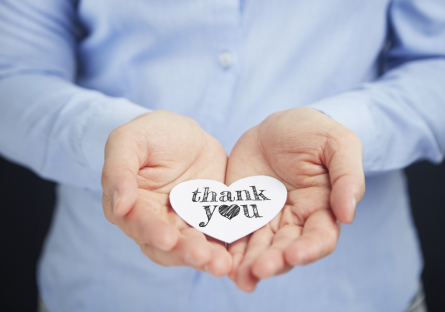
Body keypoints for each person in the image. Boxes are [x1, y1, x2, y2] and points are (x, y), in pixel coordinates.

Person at [0, 0, 444, 311]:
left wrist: (344, 132)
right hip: (99, 292)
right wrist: (116, 138)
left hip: (357, 296)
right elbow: (11, 73)